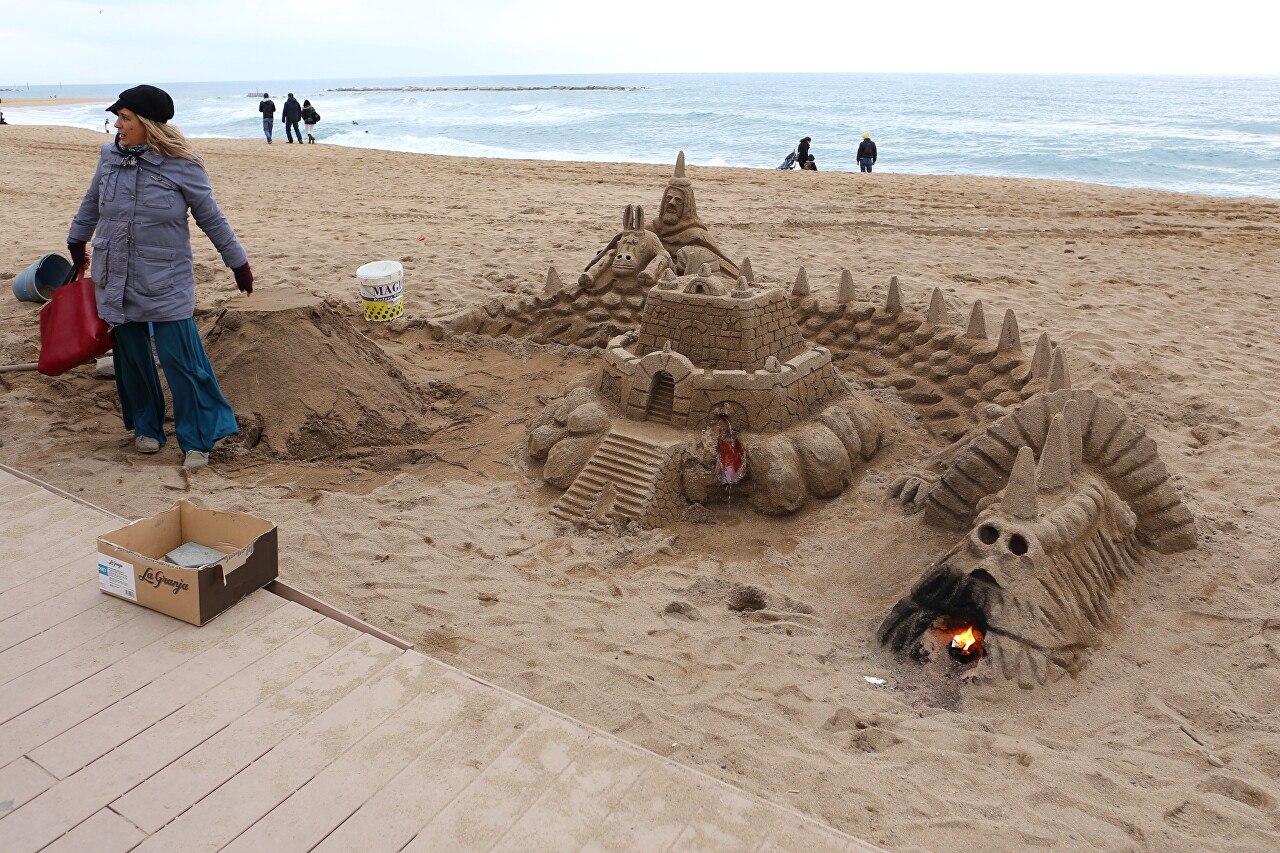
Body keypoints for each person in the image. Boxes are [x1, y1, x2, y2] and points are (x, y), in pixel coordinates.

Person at [66, 84, 253, 469]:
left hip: (165, 277)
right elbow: (91, 202)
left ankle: (197, 439)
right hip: (114, 272)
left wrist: (237, 262)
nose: (117, 125)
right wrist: (76, 240)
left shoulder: (184, 165)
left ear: (147, 124)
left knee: (181, 360)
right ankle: (147, 427)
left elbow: (211, 218)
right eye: (117, 118)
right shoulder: (108, 156)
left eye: (125, 118)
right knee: (131, 358)